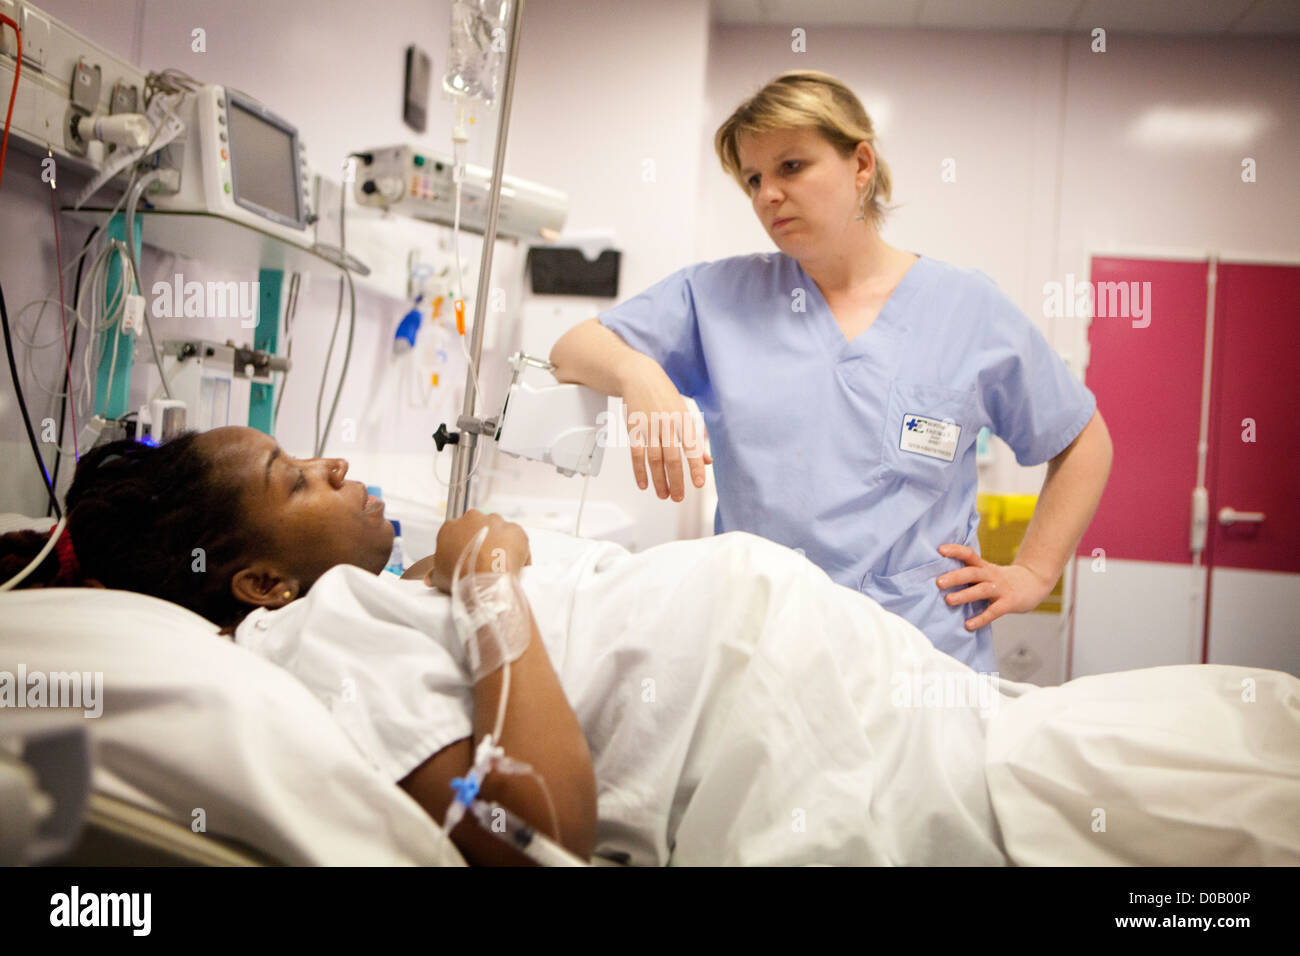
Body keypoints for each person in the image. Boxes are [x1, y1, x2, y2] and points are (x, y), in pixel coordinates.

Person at [4, 428, 1295, 867]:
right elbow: (529, 828)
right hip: (900, 783)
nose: (335, 462)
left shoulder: (370, 602)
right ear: (264, 579)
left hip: (915, 730)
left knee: (1249, 744)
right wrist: (496, 579)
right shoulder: (313, 648)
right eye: (295, 476)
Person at [549, 70, 1113, 671]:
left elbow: (1081, 438)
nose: (768, 194)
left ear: (861, 164)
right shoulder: (718, 296)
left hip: (920, 658)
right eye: (753, 178)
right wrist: (641, 376)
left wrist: (1033, 571)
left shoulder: (967, 307)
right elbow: (572, 349)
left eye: (791, 166)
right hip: (763, 653)